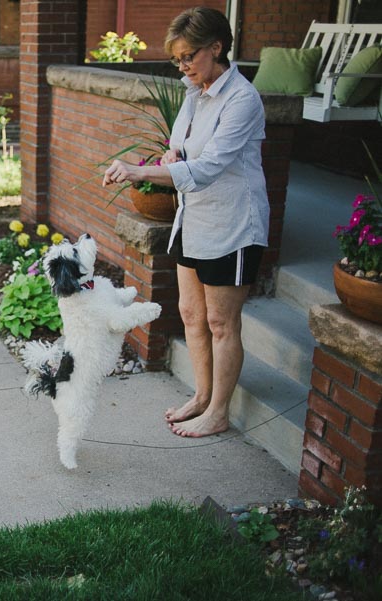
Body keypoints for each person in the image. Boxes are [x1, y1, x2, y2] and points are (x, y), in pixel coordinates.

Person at [102, 6, 269, 438]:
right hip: (192, 218)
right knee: (191, 314)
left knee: (221, 323)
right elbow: (180, 150)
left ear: (216, 47)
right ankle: (201, 396)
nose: (183, 67)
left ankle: (218, 411)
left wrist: (139, 171)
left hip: (232, 224)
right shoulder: (194, 92)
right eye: (177, 60)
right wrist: (172, 155)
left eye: (188, 57)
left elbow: (209, 167)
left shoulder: (241, 99)